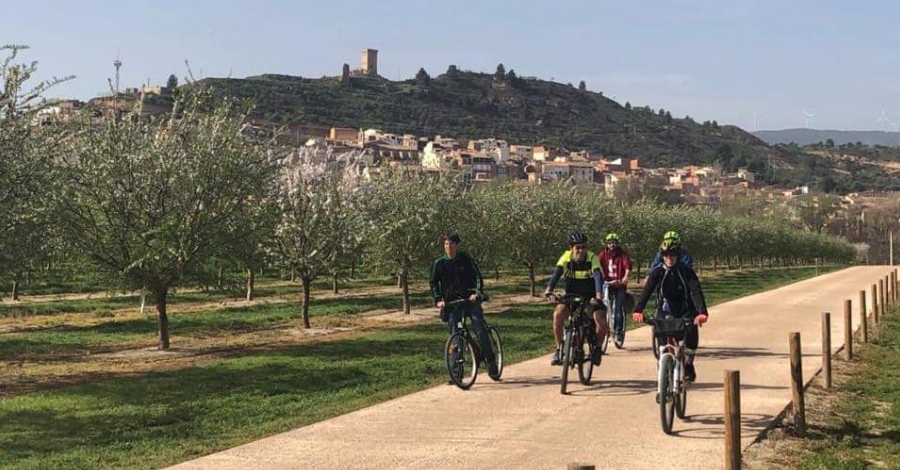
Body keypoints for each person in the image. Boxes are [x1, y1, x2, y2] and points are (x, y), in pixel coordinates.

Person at [632, 238, 709, 382]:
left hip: (685, 308)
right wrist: (638, 310)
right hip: (665, 309)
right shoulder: (658, 272)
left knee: (692, 331)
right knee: (661, 338)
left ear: (678, 255)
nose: (669, 258)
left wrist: (702, 312)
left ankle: (689, 363)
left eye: (672, 254)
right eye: (665, 255)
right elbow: (647, 291)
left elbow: (696, 291)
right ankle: (663, 373)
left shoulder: (686, 271)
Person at [429, 233, 498, 379]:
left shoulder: (465, 259)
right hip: (452, 304)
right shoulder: (439, 263)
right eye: (446, 244)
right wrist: (438, 299)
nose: (449, 247)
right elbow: (434, 283)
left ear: (456, 245)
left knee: (479, 328)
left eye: (451, 244)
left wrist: (477, 293)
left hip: (470, 301)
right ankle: (456, 373)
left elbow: (477, 276)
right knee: (455, 336)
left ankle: (491, 363)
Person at [543, 231, 607, 367]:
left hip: (591, 295)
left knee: (601, 322)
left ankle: (597, 349)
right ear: (571, 248)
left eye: (583, 247)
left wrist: (598, 295)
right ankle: (559, 349)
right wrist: (549, 290)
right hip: (571, 294)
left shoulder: (592, 258)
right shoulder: (566, 258)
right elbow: (557, 273)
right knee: (557, 315)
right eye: (577, 247)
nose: (581, 250)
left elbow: (597, 277)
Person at [598, 232, 632, 348]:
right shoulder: (603, 254)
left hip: (619, 285)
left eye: (613, 243)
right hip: (607, 284)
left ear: (617, 244)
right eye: (609, 243)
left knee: (618, 309)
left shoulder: (623, 255)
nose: (611, 245)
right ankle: (601, 329)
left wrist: (625, 277)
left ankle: (618, 331)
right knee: (601, 306)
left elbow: (627, 267)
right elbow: (598, 266)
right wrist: (600, 276)